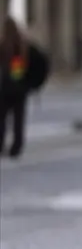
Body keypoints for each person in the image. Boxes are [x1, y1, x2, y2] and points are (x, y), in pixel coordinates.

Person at [0, 15, 49, 159]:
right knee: (18, 120)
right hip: (20, 88)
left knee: (2, 119)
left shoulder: (6, 45)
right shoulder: (24, 45)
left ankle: (2, 144)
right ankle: (16, 146)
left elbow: (14, 69)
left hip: (7, 88)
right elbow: (40, 62)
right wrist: (31, 83)